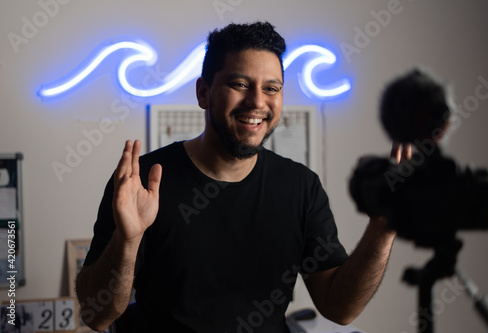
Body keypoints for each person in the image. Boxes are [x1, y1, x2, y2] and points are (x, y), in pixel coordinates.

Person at [76, 21, 408, 332]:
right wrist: (128, 241)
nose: (257, 102)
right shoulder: (143, 182)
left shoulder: (300, 187)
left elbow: (339, 308)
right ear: (204, 93)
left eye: (272, 88)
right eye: (240, 84)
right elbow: (96, 314)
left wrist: (383, 227)